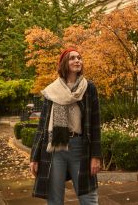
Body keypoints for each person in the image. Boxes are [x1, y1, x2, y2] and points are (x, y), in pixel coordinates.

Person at [29, 47, 101, 205]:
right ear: (64, 63)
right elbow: (42, 127)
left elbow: (95, 125)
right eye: (72, 58)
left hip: (79, 147)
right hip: (55, 148)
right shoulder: (52, 91)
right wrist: (34, 157)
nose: (77, 60)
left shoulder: (88, 88)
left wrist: (95, 156)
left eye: (79, 58)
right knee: (54, 200)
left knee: (89, 199)